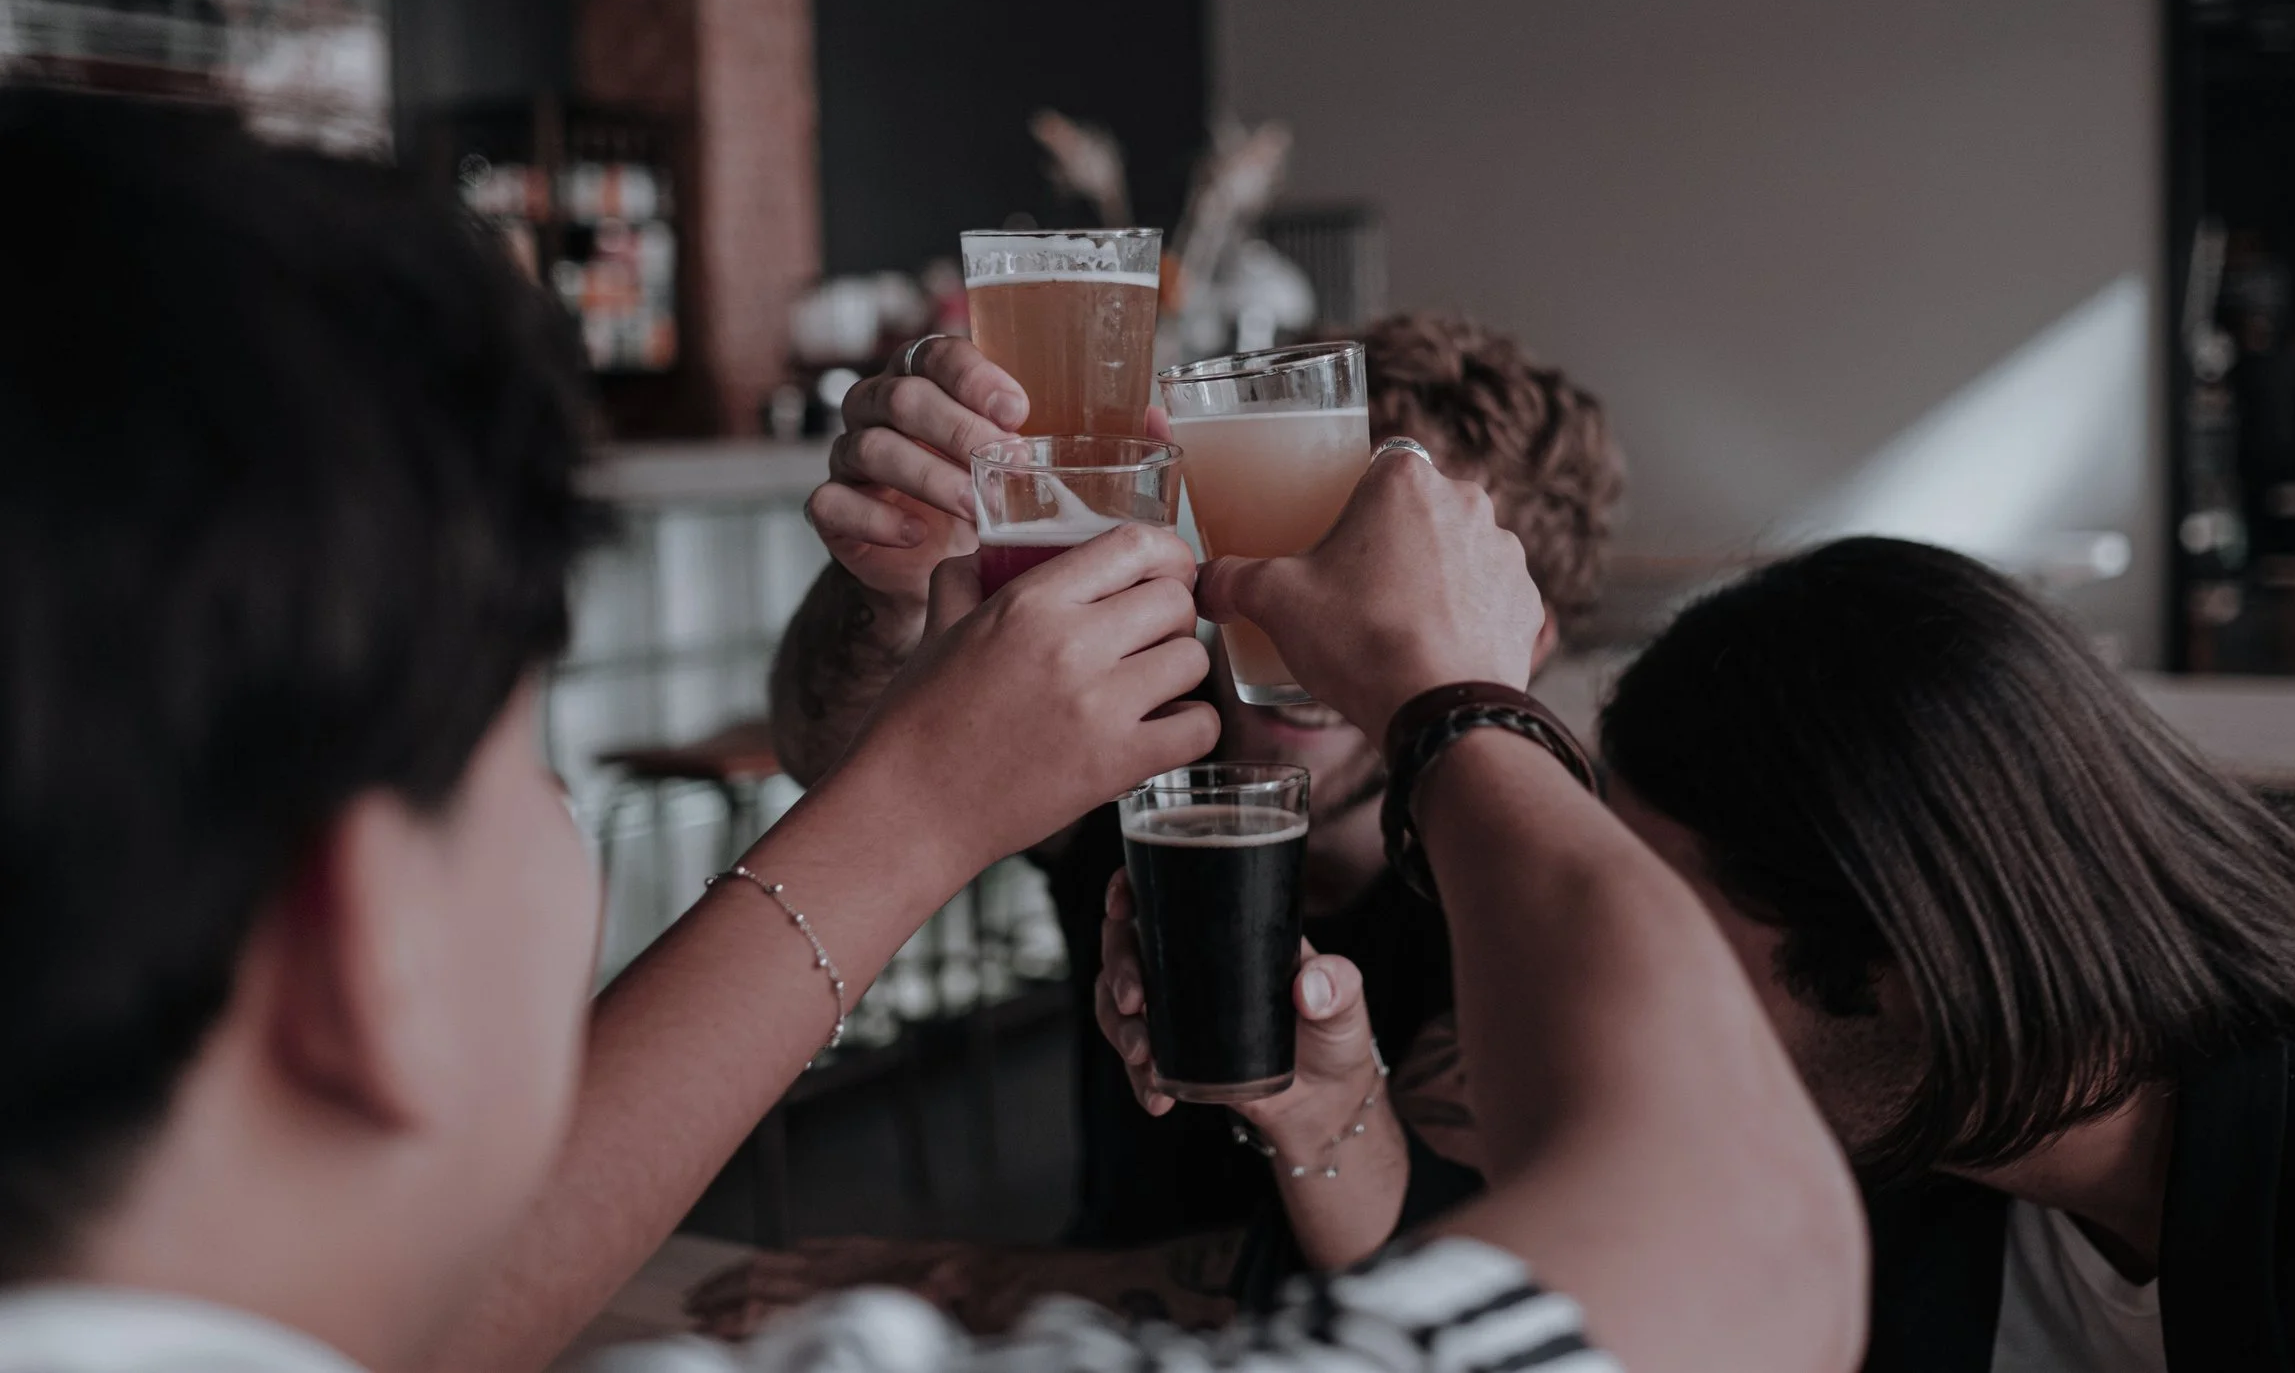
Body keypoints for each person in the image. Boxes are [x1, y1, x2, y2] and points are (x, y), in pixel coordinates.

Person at [0, 90, 1867, 1373]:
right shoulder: (1170, 760)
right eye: (531, 772)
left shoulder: (1573, 899)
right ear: (363, 941)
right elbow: (1748, 1255)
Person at [1207, 536, 2295, 1371]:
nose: (1641, 989)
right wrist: (1326, 1105)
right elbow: (1562, 1329)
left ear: (1887, 958)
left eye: (1673, 929)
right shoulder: (1919, 1138)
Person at [752, 313, 1619, 1319]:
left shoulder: (1547, 877)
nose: (1302, 621)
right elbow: (825, 749)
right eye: (1281, 546)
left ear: (1518, 630)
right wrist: (898, 602)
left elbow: (1452, 1263)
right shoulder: (1158, 738)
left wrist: (994, 1280)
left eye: (1369, 579)